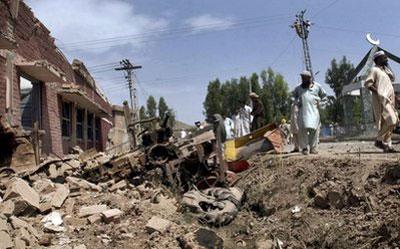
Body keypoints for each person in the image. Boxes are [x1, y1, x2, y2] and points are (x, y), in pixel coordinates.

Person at [365, 50, 399, 153]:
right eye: (384, 58)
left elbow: (392, 78)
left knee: (390, 122)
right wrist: (379, 93)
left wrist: (396, 98)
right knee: (392, 120)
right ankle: (379, 140)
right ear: (378, 59)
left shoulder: (385, 71)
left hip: (390, 100)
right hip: (381, 100)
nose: (386, 59)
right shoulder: (374, 70)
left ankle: (388, 146)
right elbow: (368, 84)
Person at [293, 70, 327, 155]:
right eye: (302, 77)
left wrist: (321, 104)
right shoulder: (298, 88)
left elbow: (324, 96)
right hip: (303, 112)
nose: (303, 79)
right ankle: (304, 148)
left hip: (314, 111)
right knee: (302, 129)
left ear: (309, 78)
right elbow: (293, 97)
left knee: (314, 130)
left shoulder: (317, 87)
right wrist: (296, 104)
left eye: (305, 78)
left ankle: (313, 148)